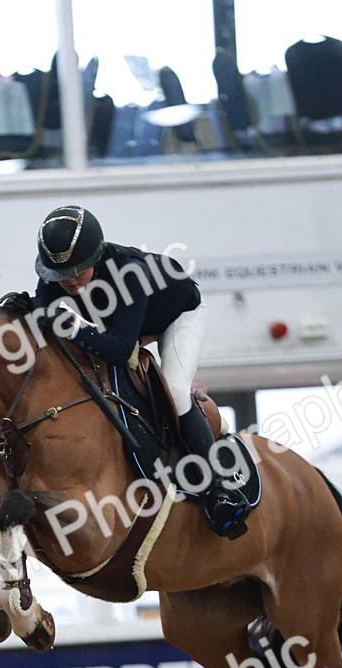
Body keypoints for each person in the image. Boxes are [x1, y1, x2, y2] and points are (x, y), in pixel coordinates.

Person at [18, 205, 251, 539]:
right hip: (122, 324)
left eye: (77, 271)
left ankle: (216, 490)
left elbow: (118, 350)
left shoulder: (130, 274)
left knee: (175, 391)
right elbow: (43, 311)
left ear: (95, 257)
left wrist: (70, 326)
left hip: (175, 316)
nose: (68, 281)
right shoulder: (58, 271)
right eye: (61, 275)